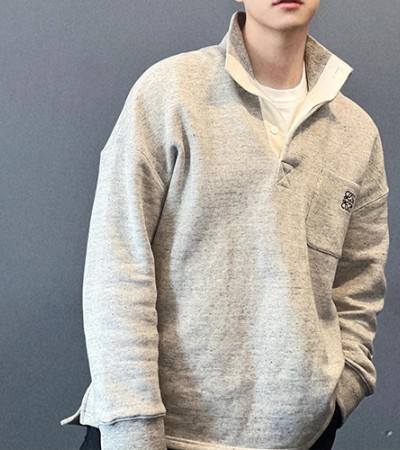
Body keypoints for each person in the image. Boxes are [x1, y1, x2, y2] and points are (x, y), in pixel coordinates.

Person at [61, 1, 389, 449]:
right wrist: (133, 431)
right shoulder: (170, 92)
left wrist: (337, 396)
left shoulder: (357, 133)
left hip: (300, 440)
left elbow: (358, 285)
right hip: (159, 437)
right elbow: (117, 267)